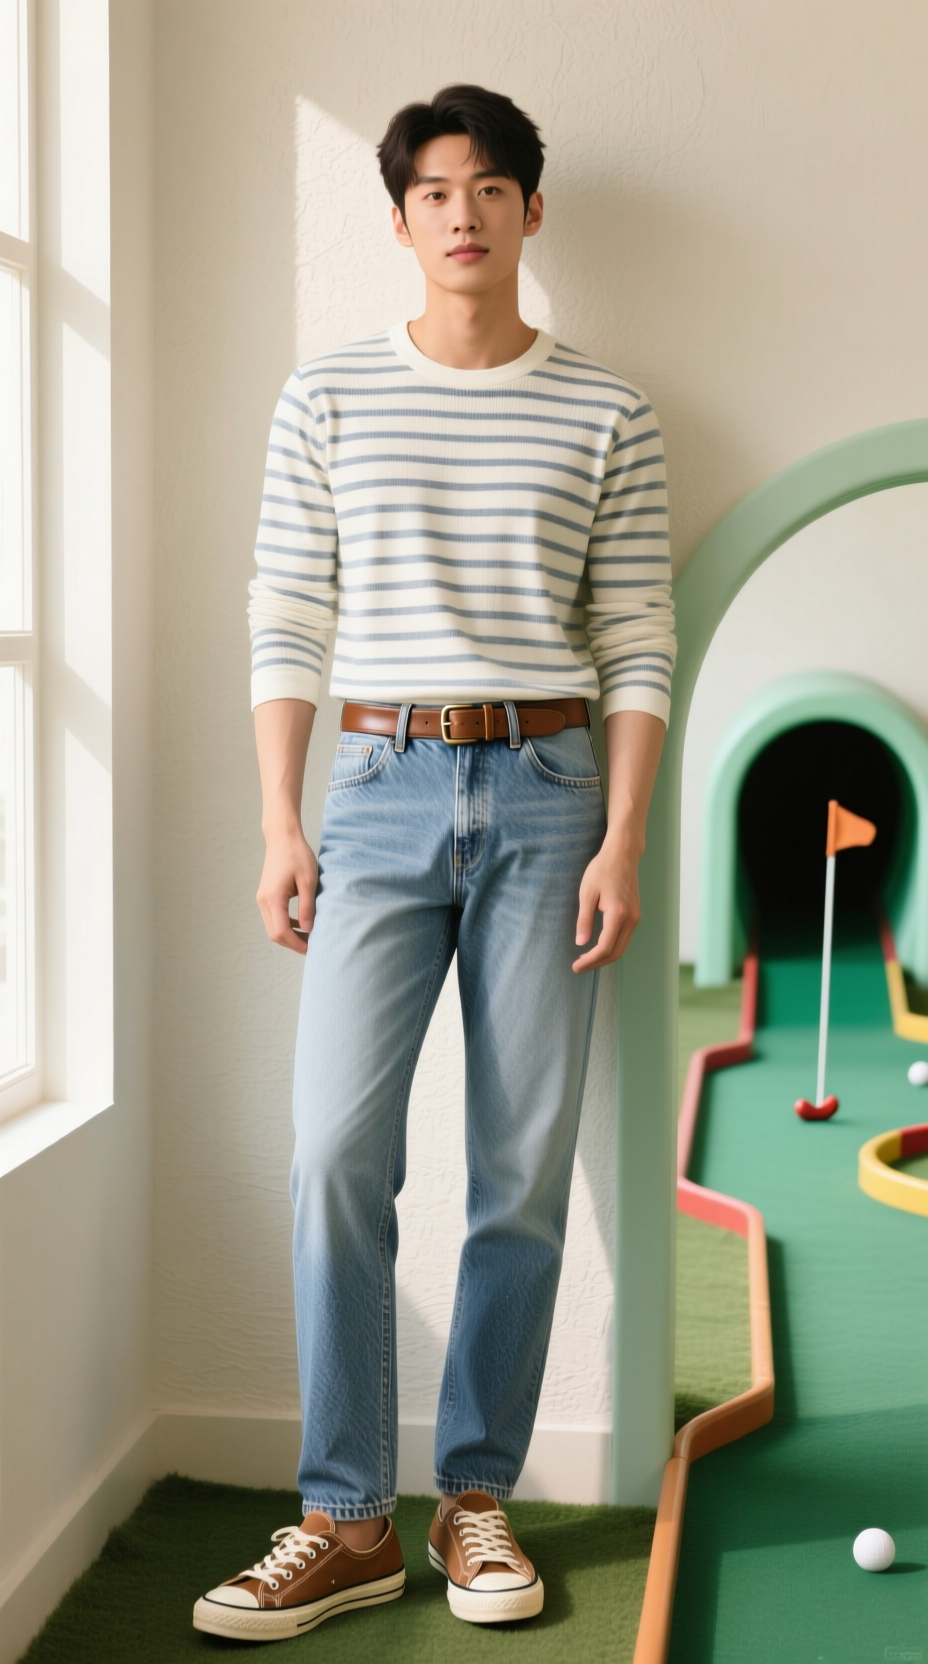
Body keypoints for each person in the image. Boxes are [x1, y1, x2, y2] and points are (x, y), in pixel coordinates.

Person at [193, 83, 675, 1643]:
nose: (462, 214)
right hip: (379, 786)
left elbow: (636, 641)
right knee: (337, 1154)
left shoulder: (610, 411)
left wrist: (622, 834)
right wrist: (282, 817)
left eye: (491, 187)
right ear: (398, 220)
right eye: (433, 192)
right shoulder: (325, 394)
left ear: (534, 210)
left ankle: (473, 1499)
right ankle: (345, 1517)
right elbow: (288, 614)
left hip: (549, 794)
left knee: (522, 1177)